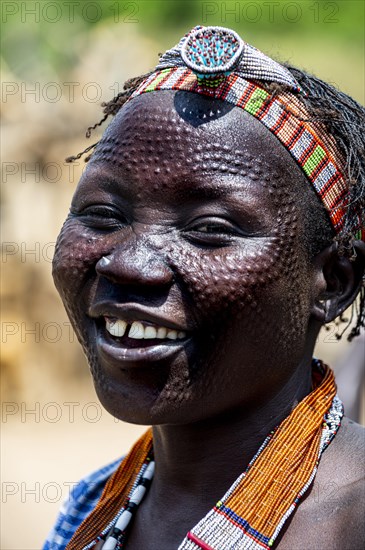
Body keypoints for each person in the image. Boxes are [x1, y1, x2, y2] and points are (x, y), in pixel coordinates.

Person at [44, 26, 365, 550]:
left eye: (210, 229)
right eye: (103, 215)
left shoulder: (351, 522)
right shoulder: (92, 506)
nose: (129, 263)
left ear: (332, 280)